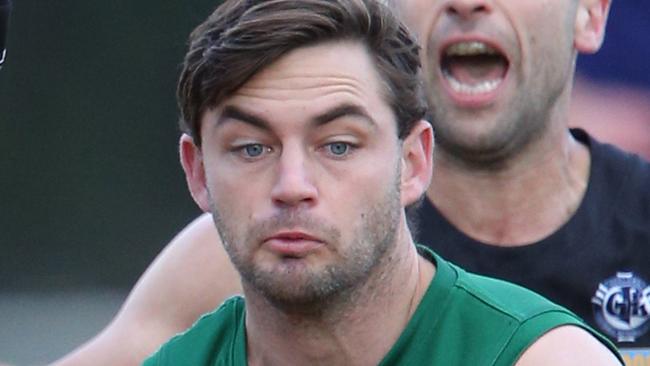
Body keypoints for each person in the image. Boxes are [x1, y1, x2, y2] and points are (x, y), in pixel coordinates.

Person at [52, 0, 650, 364]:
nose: (292, 186)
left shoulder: (551, 347)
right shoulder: (230, 250)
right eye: (252, 147)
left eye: (337, 146)